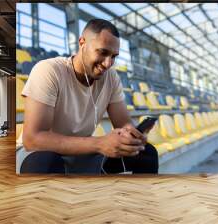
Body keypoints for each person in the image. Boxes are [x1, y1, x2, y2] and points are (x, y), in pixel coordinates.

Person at [17, 19, 158, 174]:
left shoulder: (111, 77)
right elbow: (33, 139)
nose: (108, 63)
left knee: (146, 153)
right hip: (39, 152)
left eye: (114, 56)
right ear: (82, 43)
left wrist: (133, 136)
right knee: (45, 162)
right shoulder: (49, 70)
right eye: (103, 52)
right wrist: (99, 143)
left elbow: (123, 123)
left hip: (81, 153)